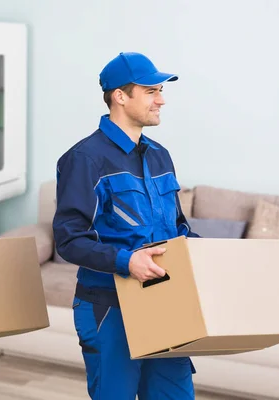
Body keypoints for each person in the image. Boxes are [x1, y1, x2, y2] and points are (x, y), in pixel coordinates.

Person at [52, 52, 200, 400]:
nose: (161, 99)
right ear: (120, 95)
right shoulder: (84, 159)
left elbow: (178, 228)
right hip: (110, 308)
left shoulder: (160, 155)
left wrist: (207, 254)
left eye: (160, 90)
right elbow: (68, 239)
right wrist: (126, 261)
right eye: (151, 91)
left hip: (166, 304)